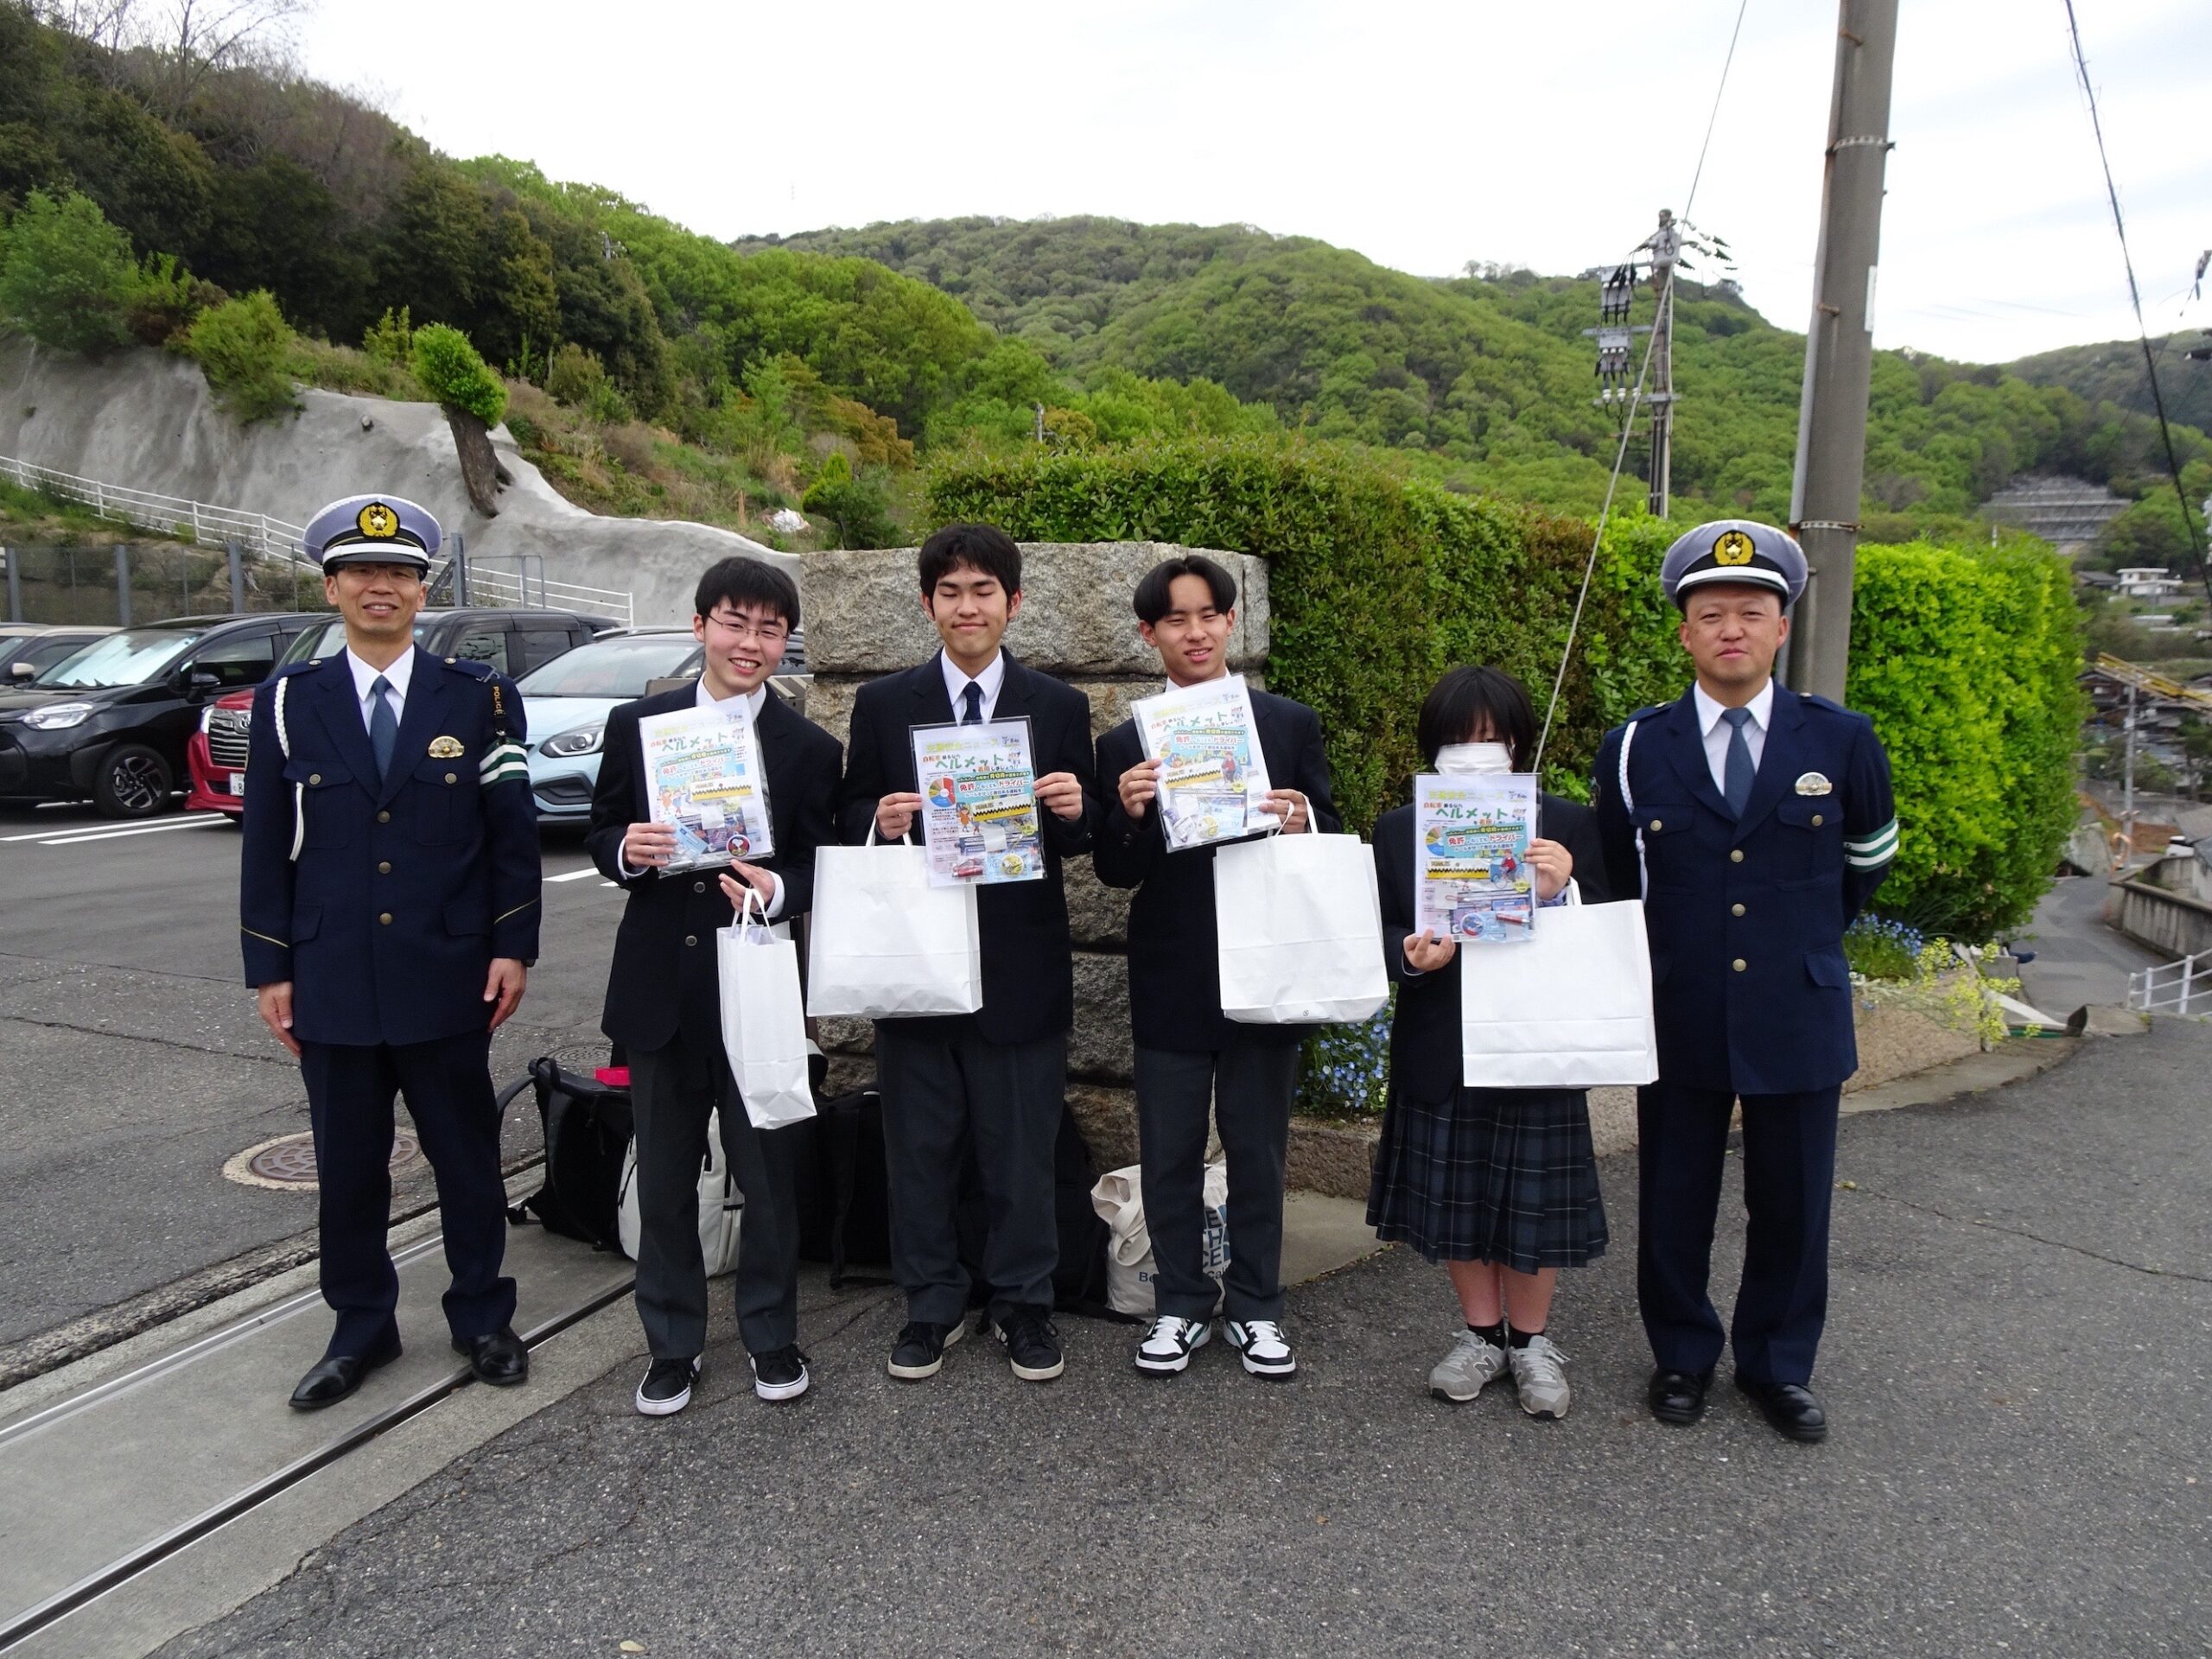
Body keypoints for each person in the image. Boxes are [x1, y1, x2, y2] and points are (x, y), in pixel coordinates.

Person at [1591, 520, 1897, 1444]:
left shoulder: (1840, 739)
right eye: (1712, 613)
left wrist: (1795, 941)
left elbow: (1866, 860)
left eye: (1751, 612)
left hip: (1795, 1006)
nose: (1732, 628)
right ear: (1685, 632)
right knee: (1674, 1197)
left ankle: (1777, 1365)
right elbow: (1620, 874)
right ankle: (1681, 1355)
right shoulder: (1636, 746)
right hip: (1681, 1002)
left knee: (1793, 1201)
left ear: (1781, 628)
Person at [240, 494, 538, 1409]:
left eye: (401, 573)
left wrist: (512, 945)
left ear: (423, 591)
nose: (383, 586)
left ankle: (482, 1315)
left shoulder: (480, 698)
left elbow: (511, 835)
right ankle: (361, 1326)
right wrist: (269, 967)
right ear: (332, 588)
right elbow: (265, 843)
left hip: (447, 970)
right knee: (348, 1170)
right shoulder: (288, 703)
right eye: (363, 571)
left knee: (465, 1160)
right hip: (330, 975)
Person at [836, 524, 1100, 1383]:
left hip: (1019, 965)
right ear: (927, 604)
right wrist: (879, 820)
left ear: (1012, 602)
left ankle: (1024, 1304)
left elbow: (1085, 836)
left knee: (1021, 1152)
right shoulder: (884, 703)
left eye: (984, 590)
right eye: (950, 592)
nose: (967, 606)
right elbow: (847, 814)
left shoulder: (1056, 706)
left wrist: (1076, 809)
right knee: (920, 1151)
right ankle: (931, 1304)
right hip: (916, 961)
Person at [585, 556, 840, 1417]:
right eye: (734, 622)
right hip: (660, 983)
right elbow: (601, 830)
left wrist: (779, 888)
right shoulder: (639, 725)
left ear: (784, 642)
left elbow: (818, 861)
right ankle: (672, 1343)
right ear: (700, 626)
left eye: (770, 629)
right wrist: (628, 850)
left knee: (769, 1178)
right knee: (663, 1178)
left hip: (756, 983)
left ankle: (771, 1334)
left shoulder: (810, 749)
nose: (750, 642)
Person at [1093, 555, 1338, 1379]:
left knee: (1258, 1148)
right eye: (1175, 619)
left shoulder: (1286, 723)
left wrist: (1301, 818)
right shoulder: (1126, 741)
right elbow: (1114, 871)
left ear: (1232, 622)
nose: (1194, 633)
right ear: (1149, 634)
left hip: (1265, 962)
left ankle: (1259, 1306)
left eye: (1209, 615)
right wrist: (1129, 814)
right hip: (1173, 966)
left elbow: (1328, 829)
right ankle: (1180, 1303)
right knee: (1168, 1149)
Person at [1368, 667, 1608, 1419]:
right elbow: (1374, 928)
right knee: (1457, 1198)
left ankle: (1532, 1343)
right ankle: (1480, 1334)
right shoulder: (1400, 829)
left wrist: (1563, 892)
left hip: (1536, 1037)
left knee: (1532, 1205)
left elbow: (1612, 930)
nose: (1472, 751)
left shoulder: (1565, 824)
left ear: (1517, 745)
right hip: (1442, 1036)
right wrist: (1409, 955)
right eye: (1455, 739)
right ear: (1432, 748)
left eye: (1489, 738)